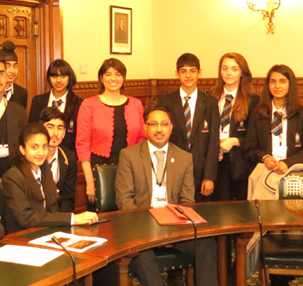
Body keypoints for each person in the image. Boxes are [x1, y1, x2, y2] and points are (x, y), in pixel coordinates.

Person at [115, 106, 218, 286]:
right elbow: (124, 200)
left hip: (174, 228)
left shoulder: (184, 158)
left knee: (207, 243)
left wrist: (170, 233)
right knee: (141, 256)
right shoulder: (129, 155)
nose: (159, 129)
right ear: (145, 127)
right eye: (153, 124)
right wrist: (152, 231)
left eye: (164, 124)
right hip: (141, 228)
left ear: (171, 127)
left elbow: (187, 202)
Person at [1, 123, 98, 234]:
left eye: (44, 146)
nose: (41, 153)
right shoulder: (12, 177)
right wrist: (72, 219)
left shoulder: (45, 172)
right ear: (22, 150)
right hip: (22, 238)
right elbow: (26, 218)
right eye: (34, 147)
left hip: (47, 234)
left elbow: (53, 209)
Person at [76, 58, 146, 207]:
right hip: (100, 171)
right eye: (108, 74)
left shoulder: (136, 104)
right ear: (101, 78)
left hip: (130, 171)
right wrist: (90, 182)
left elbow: (142, 140)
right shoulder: (89, 105)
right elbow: (82, 146)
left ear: (124, 77)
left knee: (130, 219)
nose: (113, 79)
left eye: (118, 74)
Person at [158, 53, 219, 202]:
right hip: (172, 170)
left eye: (192, 71)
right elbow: (161, 139)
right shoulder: (165, 102)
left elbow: (213, 142)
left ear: (199, 73)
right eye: (183, 71)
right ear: (176, 74)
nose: (188, 76)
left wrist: (209, 176)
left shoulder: (210, 102)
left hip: (200, 172)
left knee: (201, 217)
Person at [244, 64, 303, 174]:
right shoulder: (258, 113)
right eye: (273, 82)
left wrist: (287, 163)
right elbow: (249, 148)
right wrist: (264, 157)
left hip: (294, 170)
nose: (277, 86)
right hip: (265, 171)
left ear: (290, 84)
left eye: (282, 81)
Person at [211, 53, 259, 201]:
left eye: (234, 69)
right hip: (217, 163)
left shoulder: (253, 101)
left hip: (242, 164)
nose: (228, 73)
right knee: (220, 210)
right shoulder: (210, 97)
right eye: (224, 68)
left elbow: (257, 137)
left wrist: (234, 141)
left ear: (242, 72)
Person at [28, 59, 83, 153]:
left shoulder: (79, 103)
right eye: (54, 76)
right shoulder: (38, 101)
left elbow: (80, 135)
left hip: (68, 155)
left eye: (63, 76)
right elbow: (32, 129)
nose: (58, 80)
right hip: (41, 153)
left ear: (69, 78)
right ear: (49, 78)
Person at [39, 107, 76, 213]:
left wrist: (62, 222)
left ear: (64, 132)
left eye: (60, 128)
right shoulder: (32, 157)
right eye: (50, 127)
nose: (55, 133)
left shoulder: (69, 158)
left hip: (58, 216)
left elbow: (68, 199)